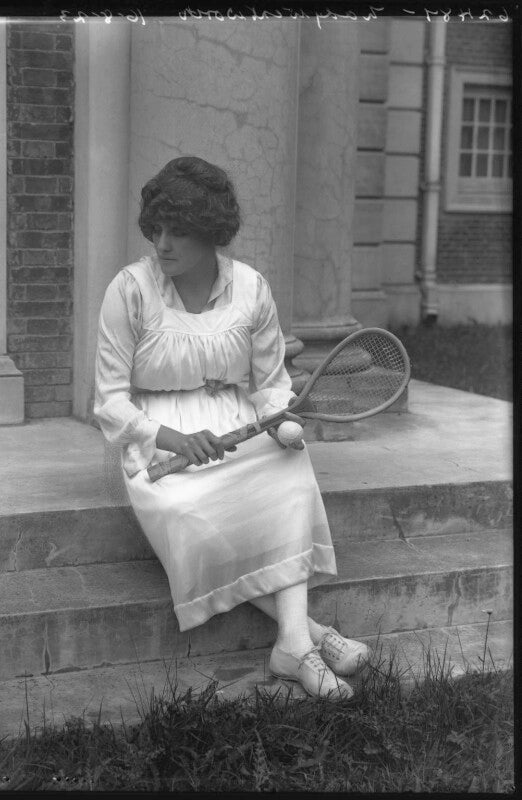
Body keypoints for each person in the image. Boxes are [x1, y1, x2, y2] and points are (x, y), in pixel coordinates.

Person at [94, 156, 369, 700]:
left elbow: (270, 383)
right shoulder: (128, 291)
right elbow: (109, 401)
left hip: (239, 423)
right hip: (157, 436)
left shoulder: (251, 288)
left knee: (290, 475)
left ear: (212, 235)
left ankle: (293, 643)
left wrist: (281, 423)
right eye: (157, 229)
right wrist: (174, 440)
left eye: (181, 231)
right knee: (186, 511)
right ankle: (308, 635)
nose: (163, 243)